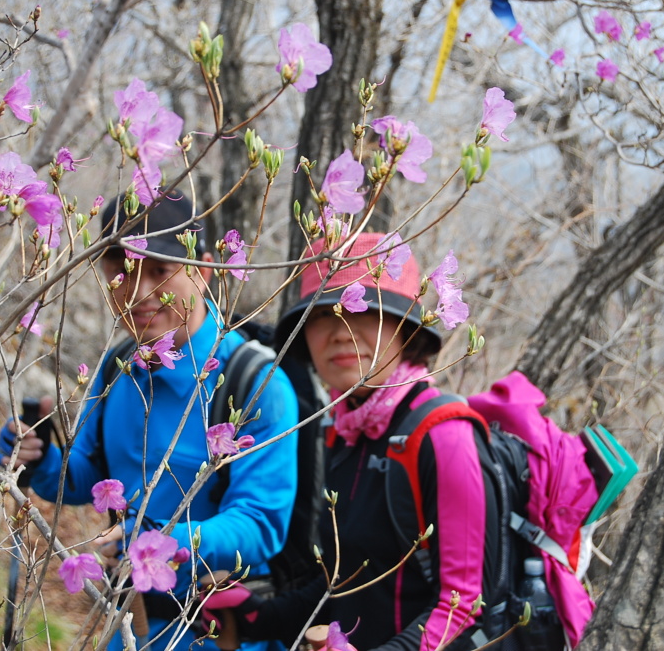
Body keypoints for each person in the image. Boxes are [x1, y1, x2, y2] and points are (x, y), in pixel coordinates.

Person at [0, 192, 299, 651]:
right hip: (129, 627)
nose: (137, 293)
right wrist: (39, 459)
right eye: (121, 271)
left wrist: (168, 540)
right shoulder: (118, 366)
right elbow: (85, 480)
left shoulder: (255, 383)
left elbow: (260, 525)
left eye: (159, 270)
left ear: (202, 271)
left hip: (217, 631)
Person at [205, 233, 492, 651]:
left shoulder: (443, 435)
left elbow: (461, 604)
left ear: (406, 331)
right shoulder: (344, 432)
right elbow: (346, 581)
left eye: (364, 309)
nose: (340, 332)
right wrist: (258, 615)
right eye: (322, 315)